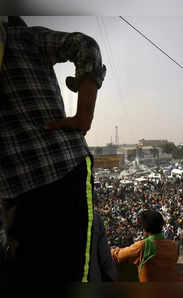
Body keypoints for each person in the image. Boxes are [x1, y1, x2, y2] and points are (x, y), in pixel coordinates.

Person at [0, 16, 106, 282]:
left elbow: (85, 45)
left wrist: (84, 117)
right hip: (55, 173)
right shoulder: (24, 38)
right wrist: (85, 116)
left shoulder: (21, 38)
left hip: (44, 180)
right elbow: (85, 45)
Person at [111, 210, 183, 282]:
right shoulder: (174, 245)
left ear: (144, 229)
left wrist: (113, 249)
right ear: (162, 226)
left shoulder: (142, 246)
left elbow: (118, 256)